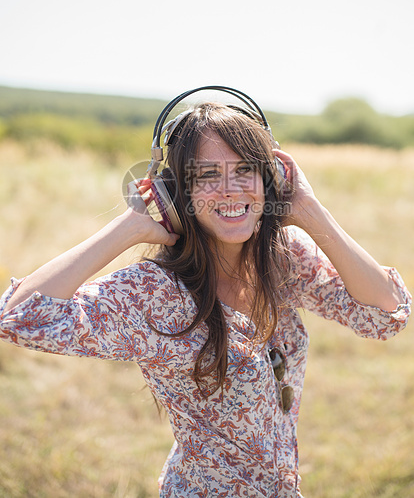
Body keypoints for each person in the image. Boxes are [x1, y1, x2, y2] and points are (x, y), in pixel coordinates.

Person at [0, 94, 411, 498]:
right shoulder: (155, 293)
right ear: (177, 193)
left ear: (271, 181)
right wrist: (131, 225)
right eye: (209, 175)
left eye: (246, 170)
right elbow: (17, 318)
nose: (230, 191)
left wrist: (309, 208)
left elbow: (386, 314)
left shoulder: (285, 259)